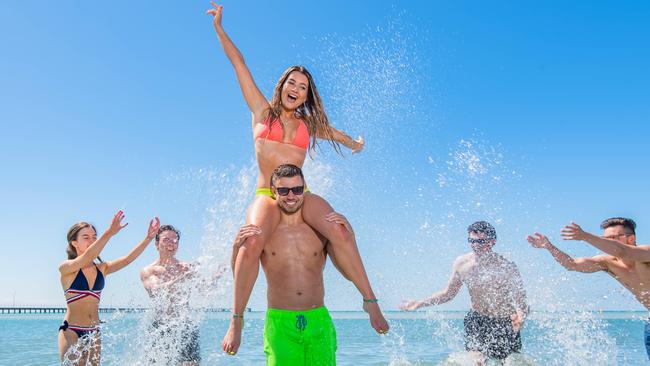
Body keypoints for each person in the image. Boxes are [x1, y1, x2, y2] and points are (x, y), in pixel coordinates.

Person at [205, 3, 387, 332]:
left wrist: (355, 144)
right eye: (292, 82)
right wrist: (219, 27)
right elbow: (239, 62)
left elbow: (335, 133)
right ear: (282, 84)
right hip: (268, 194)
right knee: (251, 239)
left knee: (339, 228)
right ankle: (237, 320)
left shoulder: (307, 125)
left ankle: (370, 300)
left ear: (306, 96)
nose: (296, 89)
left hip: (301, 194)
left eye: (303, 87)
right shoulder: (262, 113)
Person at [221, 164, 389, 364]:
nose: (291, 196)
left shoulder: (318, 231)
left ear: (304, 189)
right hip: (281, 322)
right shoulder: (266, 232)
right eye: (284, 191)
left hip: (318, 320)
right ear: (274, 192)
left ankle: (369, 301)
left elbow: (345, 267)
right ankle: (236, 321)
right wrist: (235, 249)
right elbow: (241, 272)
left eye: (297, 190)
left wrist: (350, 236)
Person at [400, 221, 528, 365]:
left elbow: (521, 299)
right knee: (477, 362)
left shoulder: (506, 266)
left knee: (509, 362)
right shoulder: (462, 264)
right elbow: (449, 293)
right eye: (472, 241)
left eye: (481, 241)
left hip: (504, 322)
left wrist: (521, 316)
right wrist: (420, 303)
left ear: (493, 241)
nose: (475, 245)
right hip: (477, 321)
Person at [527, 217, 650, 360]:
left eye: (611, 239)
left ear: (630, 239)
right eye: (605, 239)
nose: (605, 243)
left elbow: (622, 251)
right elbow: (571, 264)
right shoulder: (607, 263)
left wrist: (585, 236)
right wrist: (549, 247)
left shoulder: (646, 253)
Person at [58, 210, 159, 365]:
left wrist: (148, 238)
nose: (91, 240)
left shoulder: (102, 269)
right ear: (74, 243)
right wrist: (109, 233)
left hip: (94, 332)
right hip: (71, 330)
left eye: (94, 237)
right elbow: (88, 256)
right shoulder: (67, 268)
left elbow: (128, 259)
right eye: (86, 237)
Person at [140, 224, 203, 366]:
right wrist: (181, 278)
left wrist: (217, 275)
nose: (171, 243)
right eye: (166, 239)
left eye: (175, 240)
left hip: (185, 326)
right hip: (160, 326)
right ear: (156, 244)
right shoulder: (149, 270)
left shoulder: (186, 267)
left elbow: (204, 289)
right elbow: (156, 290)